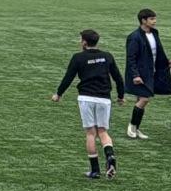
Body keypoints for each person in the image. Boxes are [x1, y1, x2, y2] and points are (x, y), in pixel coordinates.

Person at [53, 29, 125, 179]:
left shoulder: (78, 58)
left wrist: (58, 94)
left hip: (86, 97)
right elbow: (118, 78)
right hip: (104, 98)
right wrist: (120, 96)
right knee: (103, 131)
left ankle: (95, 170)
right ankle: (110, 157)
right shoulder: (107, 56)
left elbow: (68, 77)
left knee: (91, 133)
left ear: (84, 42)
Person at [125, 8, 171, 139]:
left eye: (155, 18)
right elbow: (131, 58)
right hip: (140, 74)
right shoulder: (134, 37)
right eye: (152, 19)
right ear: (143, 20)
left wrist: (166, 62)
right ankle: (132, 126)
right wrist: (135, 75)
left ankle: (136, 128)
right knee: (144, 99)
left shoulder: (154, 33)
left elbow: (158, 51)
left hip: (151, 72)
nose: (155, 21)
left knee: (140, 99)